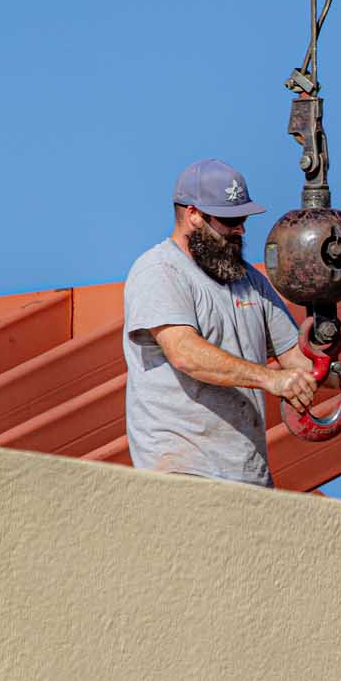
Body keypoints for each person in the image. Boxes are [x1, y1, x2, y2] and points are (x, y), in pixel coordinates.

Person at [121, 158, 320, 485]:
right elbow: (185, 353)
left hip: (248, 477)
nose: (241, 229)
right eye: (230, 220)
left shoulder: (250, 282)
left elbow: (296, 359)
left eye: (243, 219)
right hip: (183, 474)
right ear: (193, 215)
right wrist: (270, 379)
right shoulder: (159, 271)